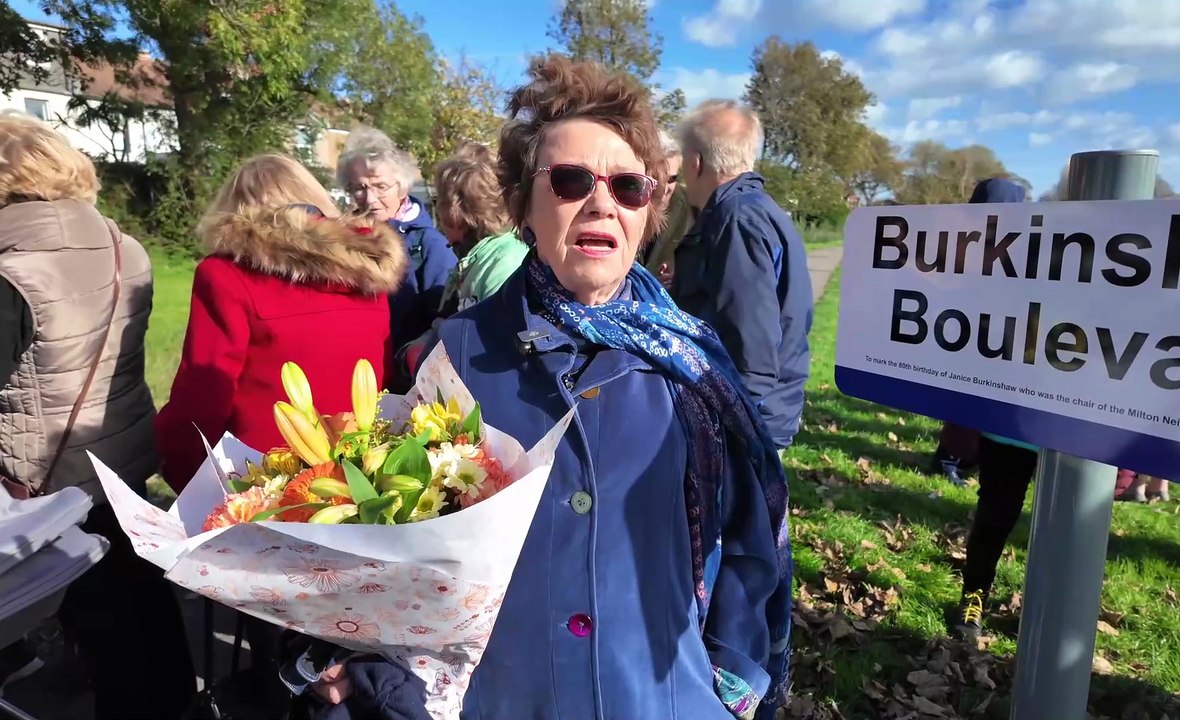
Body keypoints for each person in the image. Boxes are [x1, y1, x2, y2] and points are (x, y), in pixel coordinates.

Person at [310, 56, 793, 720]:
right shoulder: (459, 354)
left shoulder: (693, 367)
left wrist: (726, 682)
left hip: (661, 700)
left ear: (648, 212)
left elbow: (747, 543)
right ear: (523, 206)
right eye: (570, 181)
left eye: (628, 186)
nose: (602, 203)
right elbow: (391, 536)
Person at [0, 114, 196, 718]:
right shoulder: (123, 248)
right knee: (145, 598)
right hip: (123, 452)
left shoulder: (11, 272)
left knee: (104, 626)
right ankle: (179, 702)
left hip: (50, 478)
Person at [154, 154, 406, 491]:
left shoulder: (226, 276)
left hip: (264, 484)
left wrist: (182, 470)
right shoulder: (364, 269)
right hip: (359, 475)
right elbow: (379, 376)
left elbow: (203, 394)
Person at [671, 99, 814, 454]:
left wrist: (732, 429)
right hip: (758, 413)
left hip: (746, 424)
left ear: (695, 162)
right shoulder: (756, 209)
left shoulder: (736, 220)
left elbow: (751, 346)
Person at [932, 178, 1027, 486]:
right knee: (967, 400)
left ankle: (964, 457)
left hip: (999, 336)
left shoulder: (1018, 246)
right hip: (969, 333)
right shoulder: (967, 242)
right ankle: (950, 457)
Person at [337, 127, 456, 350]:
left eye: (380, 187)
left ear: (402, 188)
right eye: (359, 188)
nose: (370, 199)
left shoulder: (429, 245)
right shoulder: (341, 239)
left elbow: (443, 323)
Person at [954, 431, 1040, 641]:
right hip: (1012, 431)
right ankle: (973, 597)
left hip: (1077, 439)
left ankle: (1048, 613)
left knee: (1067, 533)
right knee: (994, 519)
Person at [431, 142, 528, 317]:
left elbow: (501, 329)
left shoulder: (505, 264)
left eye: (438, 201)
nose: (438, 210)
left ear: (455, 211)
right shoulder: (477, 257)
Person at [640, 129, 690, 287]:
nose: (664, 188)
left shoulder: (692, 207)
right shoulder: (619, 200)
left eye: (671, 179)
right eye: (657, 178)